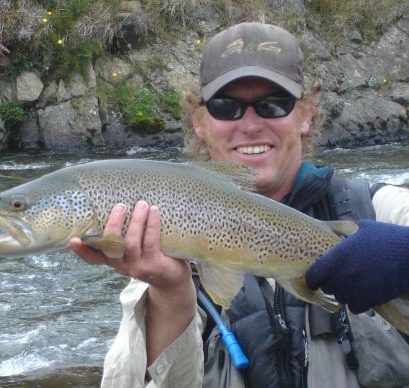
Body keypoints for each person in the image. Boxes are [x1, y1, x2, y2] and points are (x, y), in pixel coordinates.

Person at [71, 22, 409, 387]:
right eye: (225, 106)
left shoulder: (381, 211)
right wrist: (170, 295)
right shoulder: (158, 252)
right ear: (200, 121)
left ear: (306, 113)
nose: (250, 125)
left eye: (273, 104)